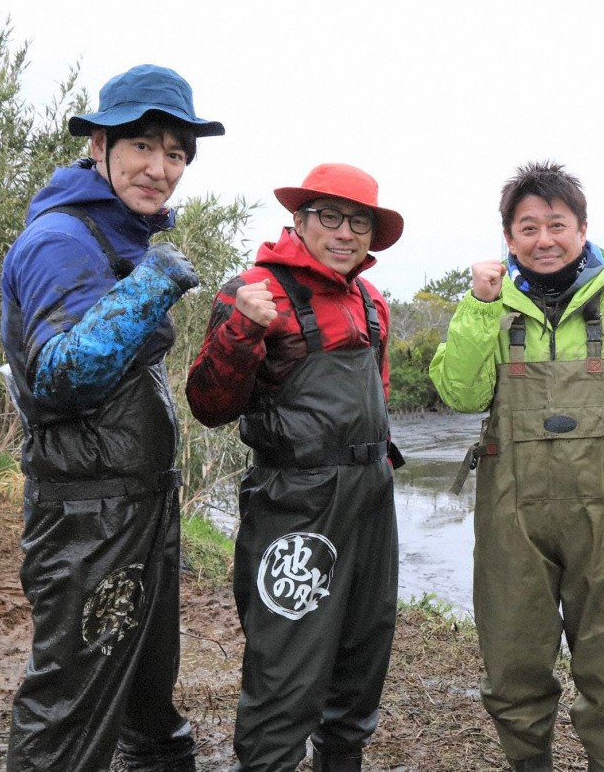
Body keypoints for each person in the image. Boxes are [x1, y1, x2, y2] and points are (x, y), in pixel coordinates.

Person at [429, 160, 604, 772]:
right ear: (508, 237)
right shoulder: (491, 304)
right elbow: (460, 394)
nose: (543, 240)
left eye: (556, 224)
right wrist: (477, 307)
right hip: (511, 514)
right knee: (513, 657)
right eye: (527, 228)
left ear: (582, 228)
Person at [0, 64, 222, 772]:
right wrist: (153, 283)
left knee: (146, 691)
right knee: (70, 698)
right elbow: (61, 374)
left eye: (177, 152)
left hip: (138, 506)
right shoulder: (61, 240)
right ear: (99, 146)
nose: (161, 168)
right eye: (142, 147)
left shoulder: (120, 233)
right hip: (87, 515)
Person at [185, 163, 404, 772]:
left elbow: (377, 401)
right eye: (329, 217)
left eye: (358, 221)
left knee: (361, 663)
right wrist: (241, 331)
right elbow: (207, 405)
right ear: (299, 222)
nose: (344, 232)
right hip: (293, 501)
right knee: (285, 670)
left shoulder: (372, 301)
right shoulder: (253, 290)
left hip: (369, 499)